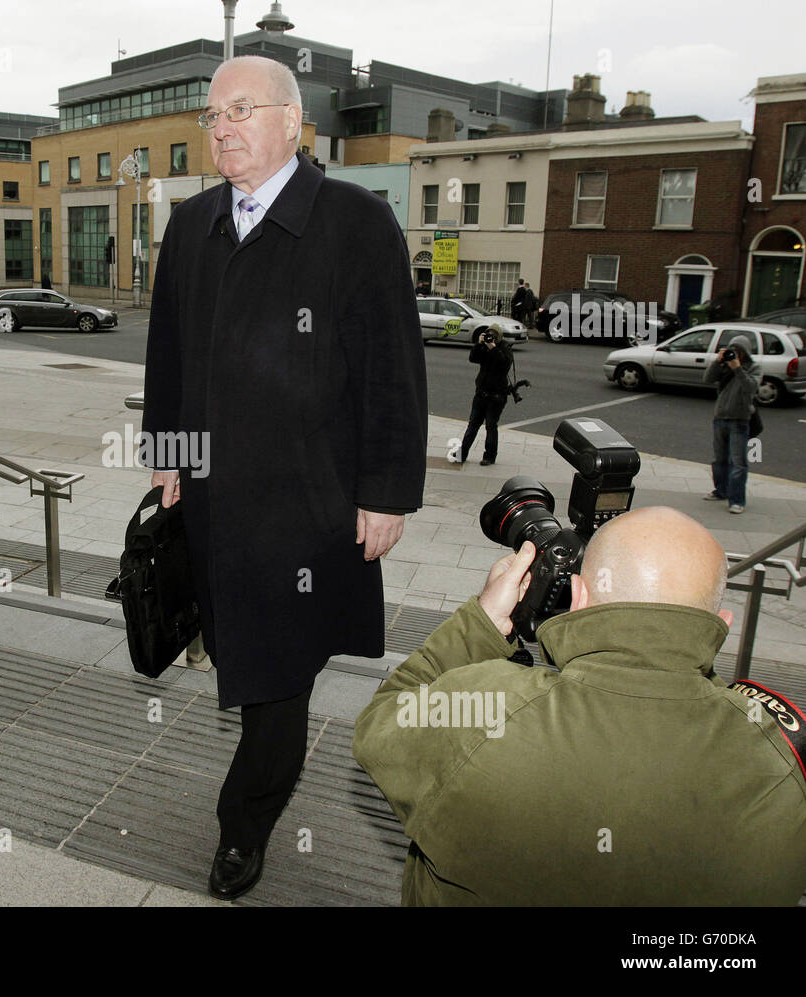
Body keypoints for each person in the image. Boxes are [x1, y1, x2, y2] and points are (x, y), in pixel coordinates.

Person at [143, 55, 428, 901]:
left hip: (308, 503)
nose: (221, 127)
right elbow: (170, 353)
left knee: (278, 674)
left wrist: (385, 491)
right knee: (236, 645)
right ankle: (253, 783)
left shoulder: (355, 222)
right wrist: (169, 451)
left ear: (291, 121)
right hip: (216, 499)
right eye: (212, 114)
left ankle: (245, 825)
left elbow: (393, 369)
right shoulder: (191, 224)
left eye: (239, 109)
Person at [352, 507, 806, 905]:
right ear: (721, 624)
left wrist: (483, 623)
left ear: (580, 598)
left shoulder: (486, 712)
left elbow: (382, 723)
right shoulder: (782, 763)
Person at [703, 336, 758, 514]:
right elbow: (707, 379)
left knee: (738, 462)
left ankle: (737, 500)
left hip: (739, 420)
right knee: (718, 459)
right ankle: (721, 491)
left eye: (739, 351)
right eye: (732, 350)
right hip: (720, 418)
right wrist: (717, 362)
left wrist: (738, 369)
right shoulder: (724, 366)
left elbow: (750, 388)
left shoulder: (753, 368)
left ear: (746, 353)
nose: (735, 354)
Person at [455, 325, 512, 466]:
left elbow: (504, 364)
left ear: (498, 337)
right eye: (488, 334)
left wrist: (493, 348)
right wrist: (479, 344)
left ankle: (490, 456)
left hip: (497, 396)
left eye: (493, 335)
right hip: (481, 394)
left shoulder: (504, 349)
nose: (490, 337)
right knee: (473, 425)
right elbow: (473, 358)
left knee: (491, 426)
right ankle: (462, 454)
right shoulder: (484, 347)